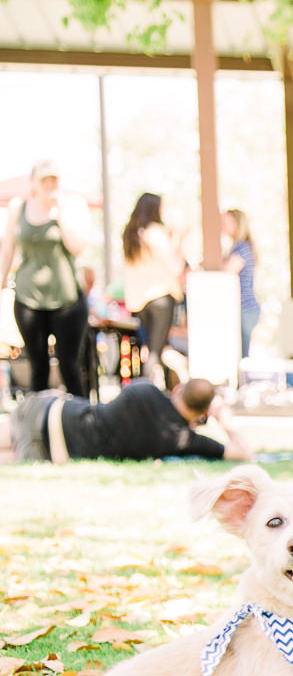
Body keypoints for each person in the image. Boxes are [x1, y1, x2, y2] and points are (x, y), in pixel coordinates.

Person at [0, 160, 92, 396]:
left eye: (54, 179)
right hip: (29, 299)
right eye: (45, 180)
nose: (50, 185)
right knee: (37, 366)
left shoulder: (70, 205)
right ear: (34, 183)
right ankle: (38, 425)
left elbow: (78, 247)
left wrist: (59, 213)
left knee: (70, 366)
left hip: (67, 300)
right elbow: (7, 249)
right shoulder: (18, 207)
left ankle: (81, 422)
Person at [4, 377, 252, 464]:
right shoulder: (182, 439)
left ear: (178, 390)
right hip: (54, 450)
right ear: (203, 414)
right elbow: (243, 453)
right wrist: (224, 417)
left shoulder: (144, 389)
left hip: (52, 410)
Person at [122, 193, 186, 384]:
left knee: (153, 349)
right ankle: (145, 396)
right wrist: (179, 240)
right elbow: (175, 267)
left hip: (139, 302)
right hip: (160, 297)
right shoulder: (156, 233)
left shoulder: (131, 234)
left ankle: (163, 391)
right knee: (156, 352)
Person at [221, 208, 260, 357]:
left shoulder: (242, 248)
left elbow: (227, 272)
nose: (222, 225)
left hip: (245, 308)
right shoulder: (239, 247)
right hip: (244, 308)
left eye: (226, 222)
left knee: (241, 354)